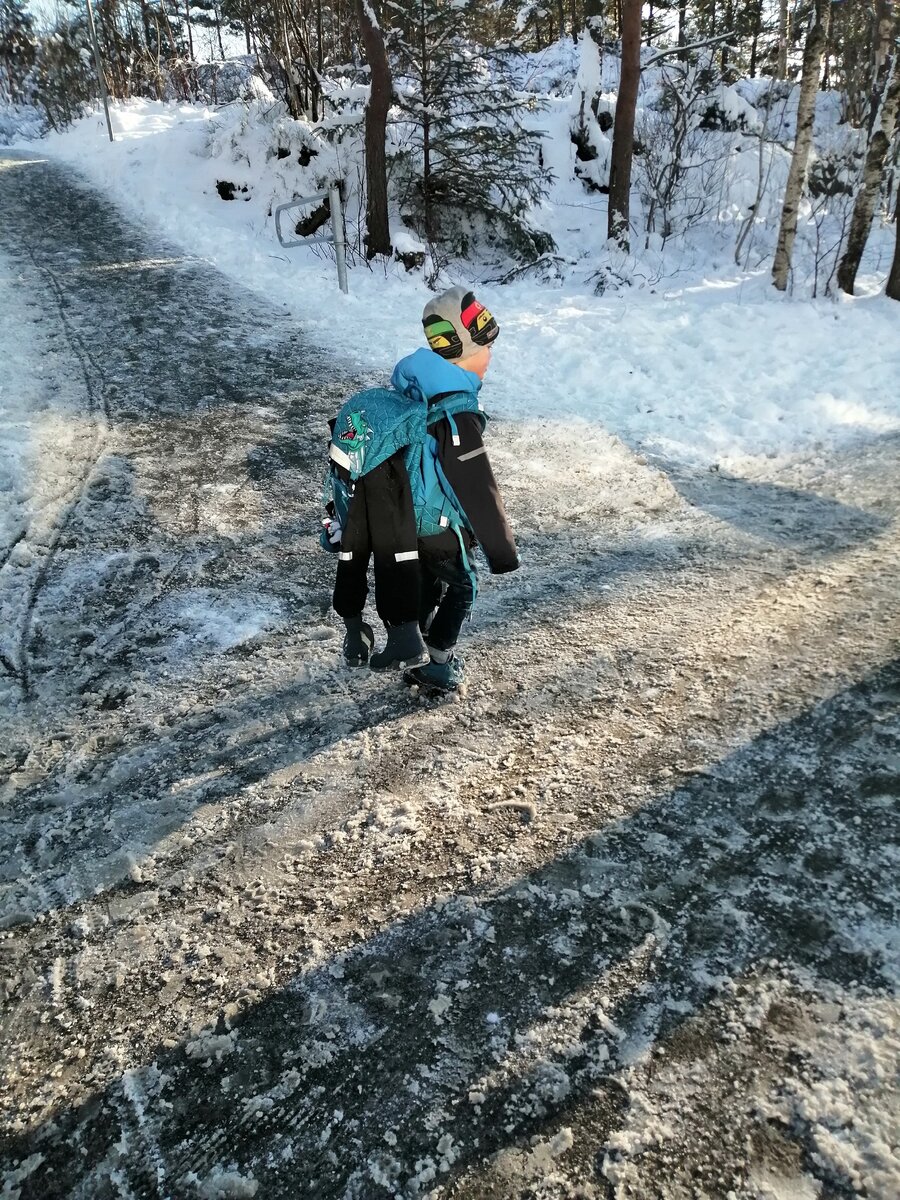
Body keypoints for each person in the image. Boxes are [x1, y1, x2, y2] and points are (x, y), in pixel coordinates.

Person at [330, 286, 519, 694]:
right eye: (486, 350)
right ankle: (439, 663)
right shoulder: (457, 413)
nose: (489, 360)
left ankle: (415, 637)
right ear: (466, 352)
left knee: (426, 579)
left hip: (403, 519)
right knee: (464, 584)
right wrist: (501, 550)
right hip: (438, 523)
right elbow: (477, 487)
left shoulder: (416, 388)